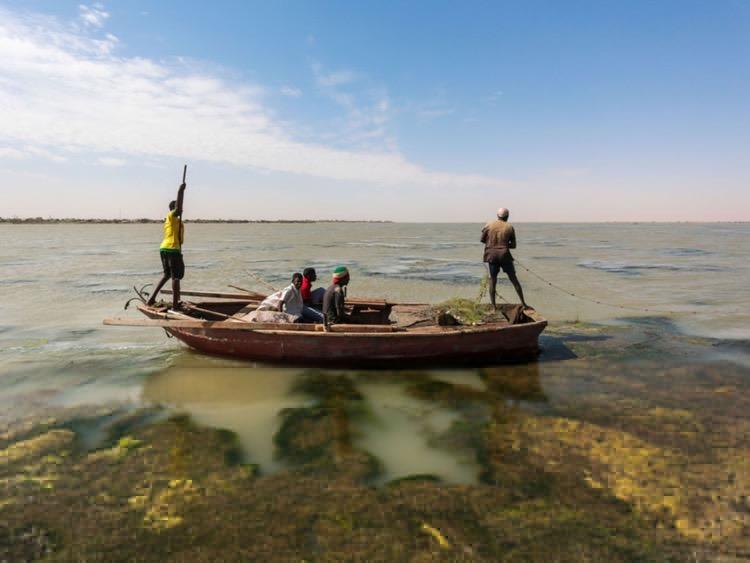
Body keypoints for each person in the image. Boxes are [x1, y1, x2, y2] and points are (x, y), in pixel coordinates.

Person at [147, 181, 186, 309]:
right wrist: (180, 191)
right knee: (176, 277)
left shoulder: (177, 223)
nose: (181, 209)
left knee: (169, 275)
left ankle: (152, 299)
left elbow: (179, 239)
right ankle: (175, 306)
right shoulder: (171, 216)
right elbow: (178, 209)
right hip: (171, 249)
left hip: (166, 249)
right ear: (172, 209)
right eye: (177, 207)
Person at [481, 207, 528, 309]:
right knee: (514, 279)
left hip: (491, 255)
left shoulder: (489, 225)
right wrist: (504, 245)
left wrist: (492, 244)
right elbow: (514, 245)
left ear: (497, 216)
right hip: (504, 255)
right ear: (507, 216)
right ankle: (523, 303)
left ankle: (494, 307)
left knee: (492, 281)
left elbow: (482, 240)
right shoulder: (509, 227)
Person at [255, 273, 324, 323]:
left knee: (310, 319)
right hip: (291, 314)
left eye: (300, 282)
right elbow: (280, 303)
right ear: (293, 281)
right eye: (297, 281)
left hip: (297, 312)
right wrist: (282, 316)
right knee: (308, 321)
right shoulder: (289, 290)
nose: (299, 283)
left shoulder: (297, 289)